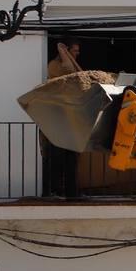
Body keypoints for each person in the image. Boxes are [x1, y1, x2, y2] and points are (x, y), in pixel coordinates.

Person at [41, 41, 83, 197]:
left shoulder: (73, 64)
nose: (77, 53)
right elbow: (69, 74)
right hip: (58, 118)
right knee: (57, 157)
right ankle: (54, 190)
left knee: (72, 158)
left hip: (71, 118)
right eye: (75, 50)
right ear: (65, 50)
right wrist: (63, 53)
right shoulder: (54, 65)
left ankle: (71, 193)